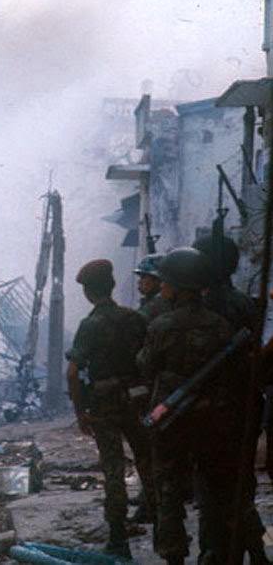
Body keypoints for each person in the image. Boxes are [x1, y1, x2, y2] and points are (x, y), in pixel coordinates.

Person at [137, 247, 245, 565]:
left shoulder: (161, 326)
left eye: (166, 281)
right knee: (211, 489)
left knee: (168, 487)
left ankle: (173, 555)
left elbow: (146, 367)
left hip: (171, 420)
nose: (163, 286)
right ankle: (211, 552)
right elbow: (233, 373)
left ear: (178, 287)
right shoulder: (222, 326)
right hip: (211, 418)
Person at [66, 259, 156, 559]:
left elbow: (73, 372)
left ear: (88, 293)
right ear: (113, 286)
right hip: (136, 399)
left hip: (104, 405)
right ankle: (159, 516)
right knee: (148, 459)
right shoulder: (134, 318)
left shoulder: (90, 325)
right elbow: (150, 359)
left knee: (114, 469)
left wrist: (80, 412)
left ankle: (118, 537)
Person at [191, 234, 269, 564]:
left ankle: (219, 549)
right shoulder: (245, 304)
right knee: (239, 482)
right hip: (244, 406)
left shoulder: (208, 308)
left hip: (214, 410)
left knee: (211, 485)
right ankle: (246, 547)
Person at [134, 253, 170, 321]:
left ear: (157, 280)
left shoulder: (159, 305)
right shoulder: (149, 303)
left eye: (143, 277)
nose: (139, 282)